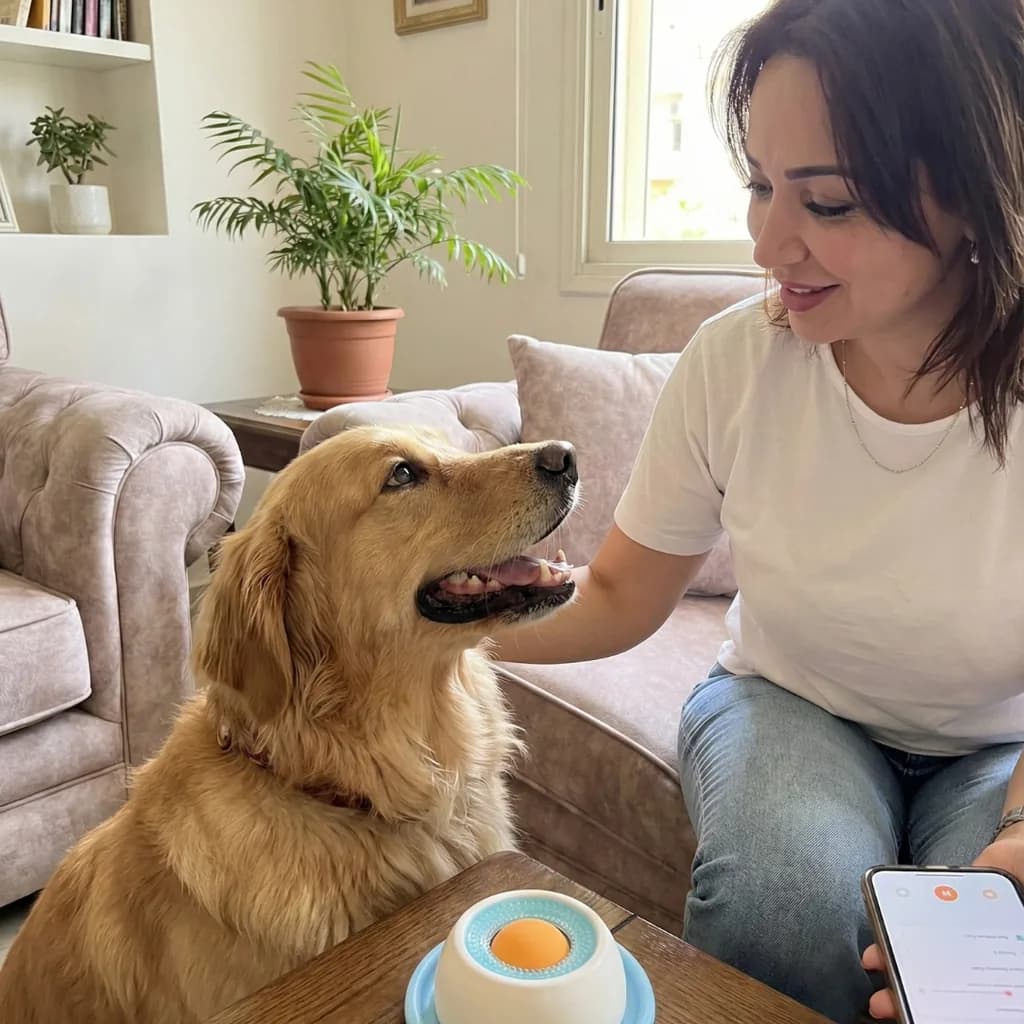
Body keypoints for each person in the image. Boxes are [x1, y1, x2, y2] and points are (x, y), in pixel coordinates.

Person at [490, 1, 1024, 1021]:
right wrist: (433, 633)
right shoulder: (736, 359)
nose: (768, 243)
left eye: (824, 203)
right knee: (780, 905)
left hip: (1001, 746)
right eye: (760, 187)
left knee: (976, 973)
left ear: (970, 193)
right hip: (787, 703)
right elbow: (614, 594)